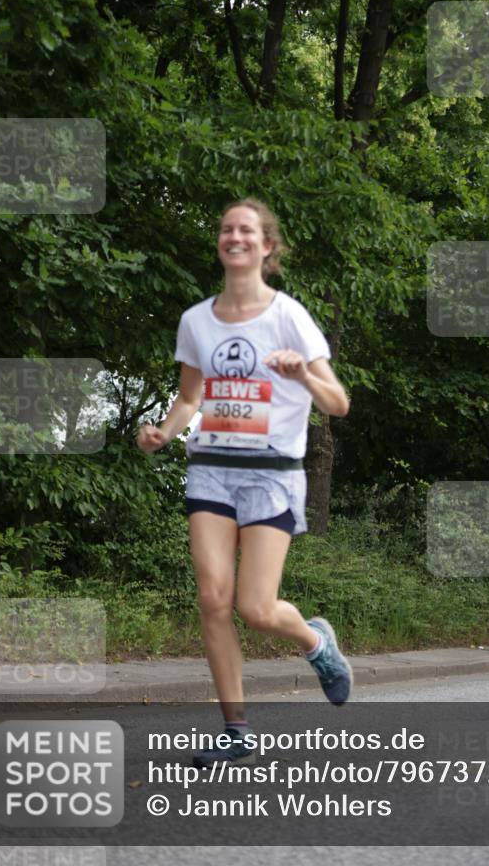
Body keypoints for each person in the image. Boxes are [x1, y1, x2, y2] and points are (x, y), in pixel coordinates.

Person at [136, 197, 352, 767]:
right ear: (221, 243)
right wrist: (164, 430)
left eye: (247, 229)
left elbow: (338, 402)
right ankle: (236, 731)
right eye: (227, 228)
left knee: (256, 607)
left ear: (266, 246)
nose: (235, 236)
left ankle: (315, 641)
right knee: (213, 598)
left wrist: (300, 371)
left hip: (272, 476)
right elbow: (191, 397)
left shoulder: (289, 316)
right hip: (212, 470)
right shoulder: (196, 321)